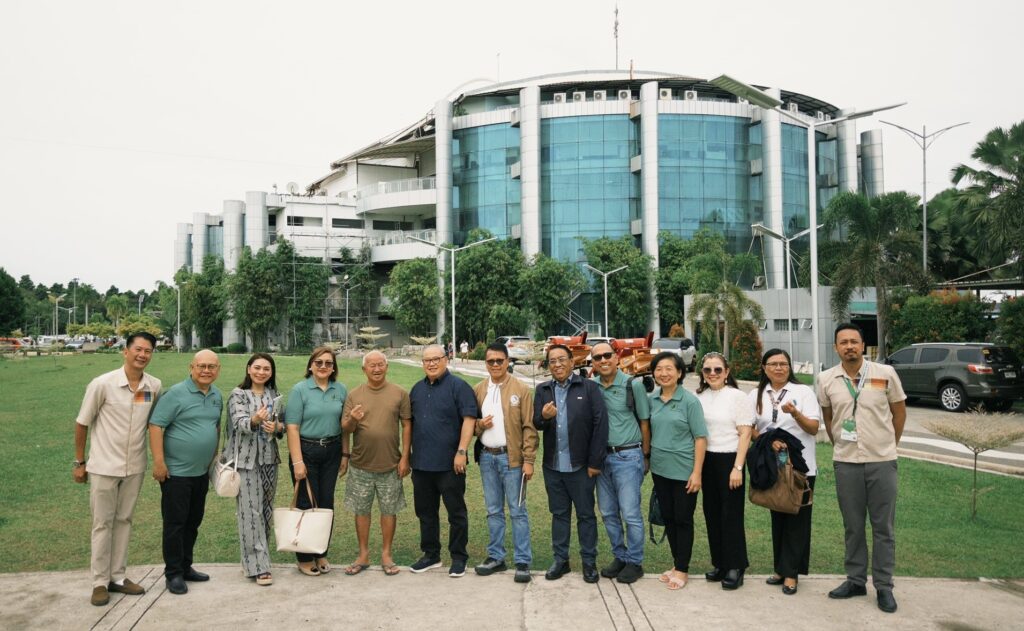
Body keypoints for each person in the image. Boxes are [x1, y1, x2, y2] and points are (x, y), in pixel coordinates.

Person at [819, 323, 906, 613]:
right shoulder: (826, 379)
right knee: (853, 526)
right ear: (836, 348)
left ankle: (884, 586)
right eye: (843, 342)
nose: (849, 346)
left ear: (862, 345)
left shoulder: (885, 374)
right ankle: (856, 580)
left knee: (883, 527)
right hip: (846, 462)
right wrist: (841, 445)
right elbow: (829, 417)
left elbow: (899, 412)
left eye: (854, 341)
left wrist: (889, 444)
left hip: (882, 461)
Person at [74, 331, 162, 606]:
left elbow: (153, 424)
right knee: (102, 523)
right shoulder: (102, 384)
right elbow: (82, 422)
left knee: (124, 520)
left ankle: (118, 577)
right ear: (125, 351)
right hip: (103, 465)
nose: (142, 355)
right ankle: (99, 582)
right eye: (138, 349)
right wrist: (79, 462)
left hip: (134, 466)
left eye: (148, 351)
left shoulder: (153, 386)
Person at [149, 349, 223, 596]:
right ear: (191, 367)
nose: (206, 371)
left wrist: (213, 458)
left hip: (201, 473)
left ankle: (186, 566)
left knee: (193, 522)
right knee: (175, 524)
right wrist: (159, 462)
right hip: (176, 474)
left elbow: (215, 426)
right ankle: (173, 573)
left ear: (218, 370)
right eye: (201, 366)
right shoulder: (175, 394)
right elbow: (156, 425)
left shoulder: (216, 395)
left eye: (211, 366)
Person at [533, 344, 608, 584]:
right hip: (553, 467)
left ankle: (589, 562)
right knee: (559, 514)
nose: (557, 365)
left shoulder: (589, 388)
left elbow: (600, 426)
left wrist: (595, 462)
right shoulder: (543, 390)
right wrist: (544, 417)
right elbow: (536, 423)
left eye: (561, 359)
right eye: (552, 361)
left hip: (581, 467)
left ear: (572, 362)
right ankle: (561, 560)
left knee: (586, 515)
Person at [749, 348, 821, 596]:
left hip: (801, 467)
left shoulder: (803, 392)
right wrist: (768, 441)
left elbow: (813, 428)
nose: (779, 368)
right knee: (777, 516)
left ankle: (792, 573)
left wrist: (795, 413)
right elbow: (749, 428)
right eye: (773, 364)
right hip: (772, 465)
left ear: (789, 367)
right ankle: (780, 569)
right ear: (764, 367)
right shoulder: (756, 394)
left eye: (784, 364)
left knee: (797, 520)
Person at [408, 344, 478, 577]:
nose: (431, 364)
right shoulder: (416, 389)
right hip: (421, 464)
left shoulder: (459, 387)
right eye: (427, 360)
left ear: (446, 359)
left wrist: (462, 451)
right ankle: (431, 555)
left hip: (450, 464)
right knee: (425, 513)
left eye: (435, 359)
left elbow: (469, 420)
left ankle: (459, 557)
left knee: (456, 513)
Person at [340, 350, 412, 577]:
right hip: (361, 465)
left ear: (387, 367)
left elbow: (407, 426)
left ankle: (386, 554)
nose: (377, 369)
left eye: (381, 364)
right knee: (361, 511)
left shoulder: (400, 394)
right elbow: (346, 429)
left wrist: (405, 457)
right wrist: (353, 419)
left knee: (389, 511)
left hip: (390, 465)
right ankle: (363, 554)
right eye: (372, 365)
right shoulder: (354, 395)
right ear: (364, 369)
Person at [472, 342, 537, 583]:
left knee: (518, 511)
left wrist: (528, 460)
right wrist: (480, 425)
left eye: (500, 360)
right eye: (491, 361)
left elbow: (529, 427)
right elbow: (470, 425)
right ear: (486, 363)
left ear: (508, 361)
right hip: (487, 458)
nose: (496, 364)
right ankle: (496, 557)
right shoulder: (479, 389)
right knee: (493, 510)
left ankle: (522, 561)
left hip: (513, 459)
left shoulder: (520, 389)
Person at [285, 346, 348, 577]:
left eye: (328, 363)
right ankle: (304, 557)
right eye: (318, 362)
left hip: (332, 450)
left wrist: (345, 454)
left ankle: (320, 551)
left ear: (333, 368)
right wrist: (297, 462)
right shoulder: (300, 390)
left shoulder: (340, 389)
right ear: (310, 366)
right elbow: (292, 427)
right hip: (306, 451)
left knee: (325, 504)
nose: (323, 366)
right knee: (306, 503)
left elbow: (344, 426)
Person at [590, 341, 649, 584]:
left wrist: (645, 456)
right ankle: (620, 556)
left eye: (607, 355)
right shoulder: (592, 386)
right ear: (593, 363)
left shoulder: (632, 385)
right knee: (607, 512)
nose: (603, 360)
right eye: (597, 358)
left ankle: (635, 562)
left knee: (630, 513)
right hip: (601, 458)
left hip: (628, 456)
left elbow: (644, 421)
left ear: (616, 357)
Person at [647, 351, 707, 591]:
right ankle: (676, 564)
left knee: (682, 519)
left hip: (684, 471)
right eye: (659, 369)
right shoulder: (652, 400)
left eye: (669, 369)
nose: (664, 373)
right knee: (669, 517)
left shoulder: (690, 402)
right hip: (660, 469)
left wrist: (697, 473)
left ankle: (682, 569)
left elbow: (700, 438)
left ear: (680, 372)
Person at [226, 353, 284, 587]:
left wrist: (275, 427)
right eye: (257, 367)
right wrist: (256, 419)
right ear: (249, 369)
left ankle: (256, 560)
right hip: (246, 461)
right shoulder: (238, 395)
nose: (261, 372)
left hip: (269, 459)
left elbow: (281, 425)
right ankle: (259, 567)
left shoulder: (273, 395)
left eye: (266, 369)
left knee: (266, 510)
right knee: (250, 512)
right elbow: (240, 423)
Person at [696, 352, 753, 590]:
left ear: (727, 372)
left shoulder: (737, 396)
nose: (712, 374)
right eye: (707, 370)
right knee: (712, 513)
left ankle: (735, 566)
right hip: (706, 459)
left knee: (731, 515)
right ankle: (719, 563)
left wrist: (737, 467)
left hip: (730, 459)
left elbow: (745, 433)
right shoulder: (699, 397)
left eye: (717, 369)